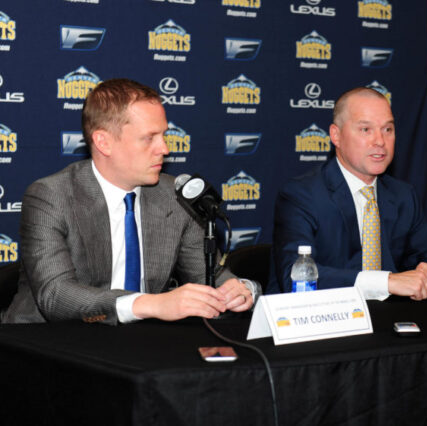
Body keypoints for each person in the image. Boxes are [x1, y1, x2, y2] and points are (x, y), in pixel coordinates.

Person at [2, 78, 258, 325]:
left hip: (139, 345)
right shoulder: (51, 196)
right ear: (104, 142)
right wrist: (151, 304)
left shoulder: (175, 197)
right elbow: (56, 295)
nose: (165, 148)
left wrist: (241, 290)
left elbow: (210, 277)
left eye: (163, 135)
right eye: (149, 138)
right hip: (45, 344)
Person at [269, 87, 427, 300]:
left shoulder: (402, 195)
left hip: (388, 322)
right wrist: (387, 282)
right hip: (321, 322)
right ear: (336, 135)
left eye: (387, 130)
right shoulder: (301, 196)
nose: (380, 141)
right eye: (365, 130)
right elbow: (296, 278)